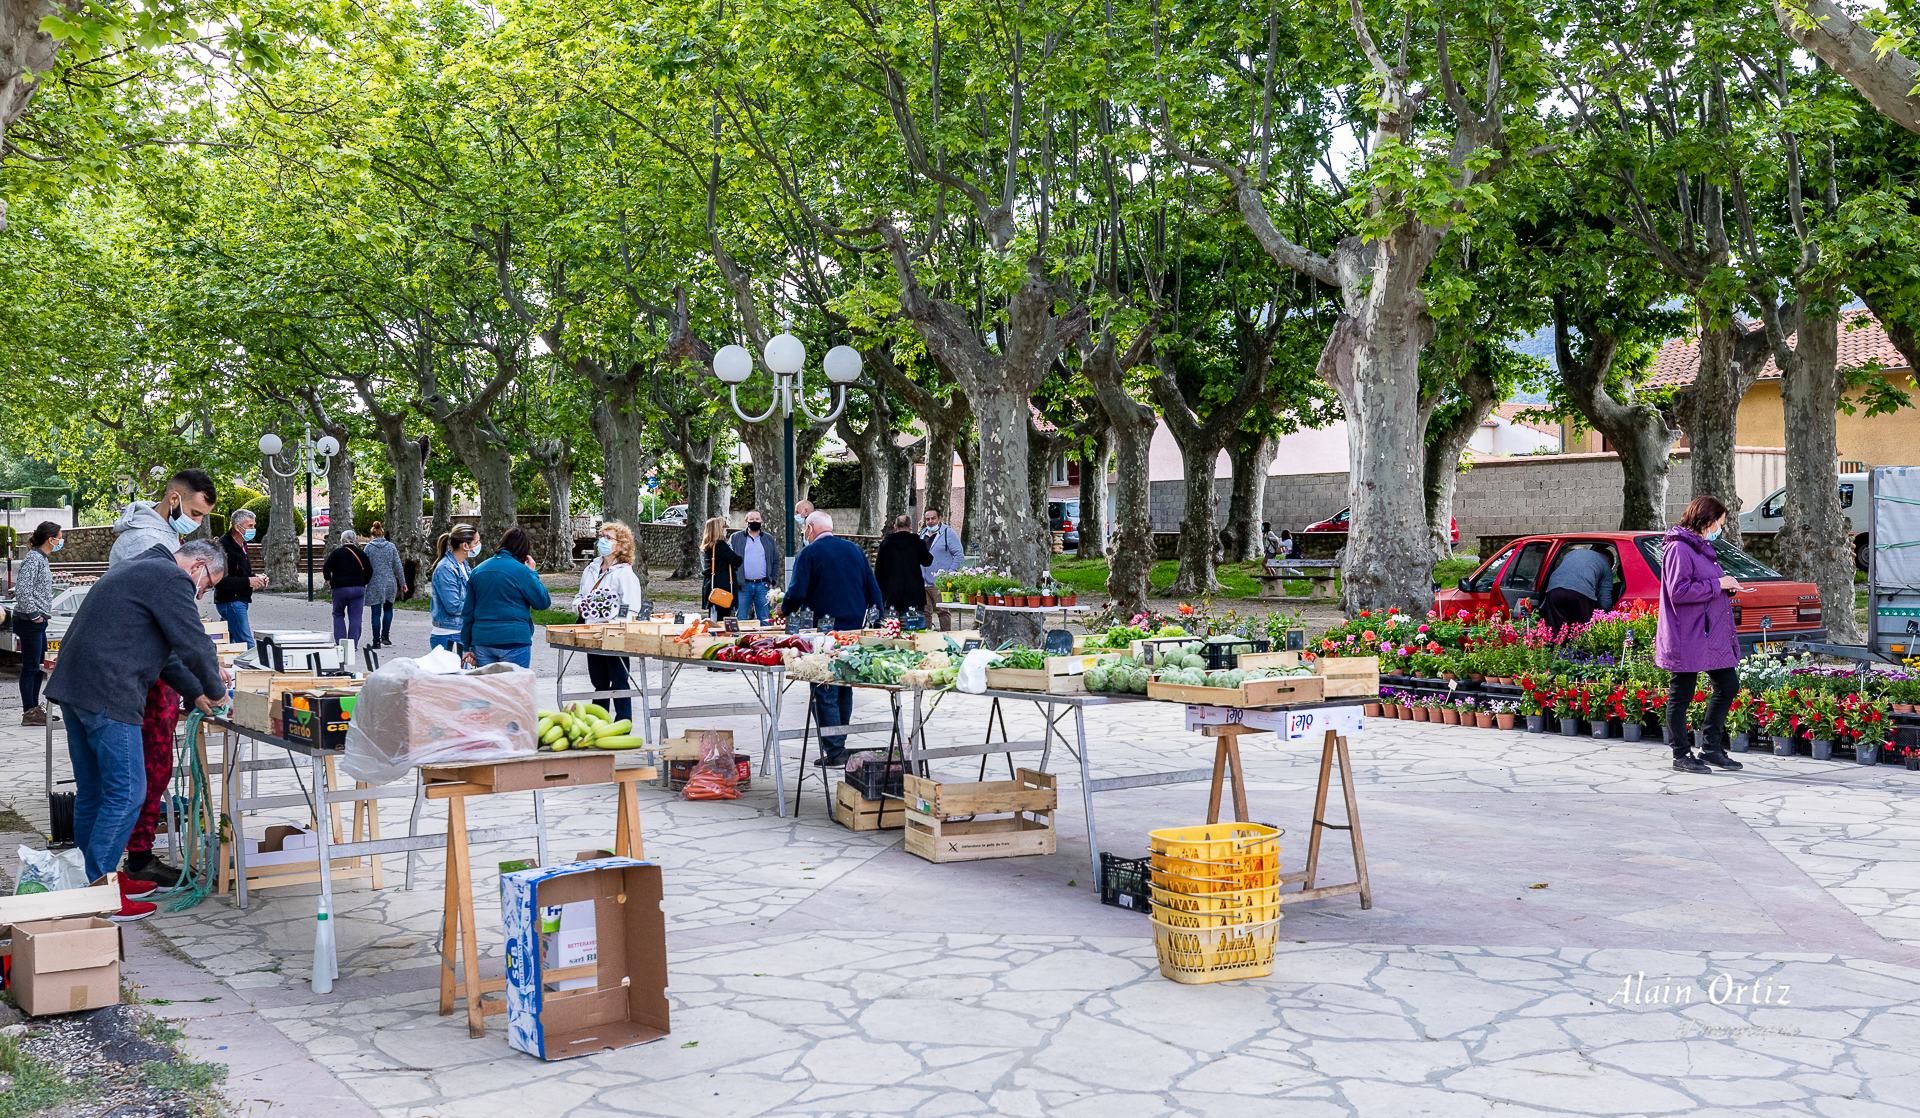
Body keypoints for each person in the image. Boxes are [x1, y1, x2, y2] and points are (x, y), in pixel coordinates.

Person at [46, 539, 228, 920]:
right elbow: (194, 643)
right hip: (109, 692)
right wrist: (217, 690)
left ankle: (95, 880)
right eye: (208, 585)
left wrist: (196, 693)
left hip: (76, 688)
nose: (203, 593)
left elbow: (166, 655)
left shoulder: (138, 568)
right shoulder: (171, 578)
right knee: (127, 792)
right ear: (197, 567)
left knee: (94, 793)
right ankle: (101, 893)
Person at [107, 468, 218, 892]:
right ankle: (131, 862)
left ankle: (126, 860)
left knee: (148, 769)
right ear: (173, 499)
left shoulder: (165, 539)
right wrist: (207, 682)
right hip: (142, 674)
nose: (194, 521)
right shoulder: (144, 542)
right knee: (145, 770)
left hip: (152, 667)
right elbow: (166, 623)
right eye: (191, 511)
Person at [782, 511, 883, 766]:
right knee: (843, 685)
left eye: (805, 529)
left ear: (810, 528)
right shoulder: (855, 550)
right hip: (852, 631)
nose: (805, 534)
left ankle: (835, 750)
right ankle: (839, 744)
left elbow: (796, 592)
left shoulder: (810, 553)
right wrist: (878, 619)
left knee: (824, 687)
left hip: (821, 633)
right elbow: (873, 588)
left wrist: (783, 609)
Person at [1656, 495, 1745, 775]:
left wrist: (1723, 586)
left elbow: (1703, 583)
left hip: (1709, 634)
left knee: (1728, 685)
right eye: (1720, 523)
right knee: (1681, 693)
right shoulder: (1679, 549)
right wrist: (1717, 583)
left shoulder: (1699, 548)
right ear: (1707, 520)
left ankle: (1712, 748)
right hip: (1687, 633)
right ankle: (1680, 754)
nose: (1720, 528)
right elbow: (1679, 591)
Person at [577, 521, 645, 721]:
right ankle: (598, 721)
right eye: (602, 536)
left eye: (608, 538)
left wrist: (615, 623)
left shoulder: (625, 573)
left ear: (620, 545)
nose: (603, 541)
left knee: (618, 680)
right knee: (598, 680)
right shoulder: (591, 569)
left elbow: (632, 607)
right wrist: (580, 606)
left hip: (614, 635)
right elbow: (580, 596)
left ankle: (623, 722)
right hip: (592, 632)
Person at [460, 527, 551, 668]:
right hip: (514, 639)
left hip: (482, 640)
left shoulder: (478, 571)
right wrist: (532, 573)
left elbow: (468, 612)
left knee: (489, 688)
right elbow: (542, 602)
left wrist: (467, 646)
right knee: (514, 688)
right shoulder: (522, 571)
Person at [14, 521, 62, 726]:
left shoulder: (41, 559)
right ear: (50, 539)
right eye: (59, 537)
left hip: (37, 621)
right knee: (31, 667)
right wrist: (35, 615)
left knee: (38, 667)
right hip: (29, 620)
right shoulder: (34, 559)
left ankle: (34, 709)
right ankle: (29, 711)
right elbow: (23, 591)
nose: (61, 541)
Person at [213, 509, 268, 652]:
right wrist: (248, 582)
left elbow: (241, 573)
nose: (253, 529)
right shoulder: (224, 547)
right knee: (247, 645)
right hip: (231, 601)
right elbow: (219, 581)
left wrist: (256, 578)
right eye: (250, 526)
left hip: (239, 600)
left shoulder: (242, 544)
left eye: (254, 526)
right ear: (238, 527)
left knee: (226, 645)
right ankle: (255, 672)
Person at [429, 525, 479, 651]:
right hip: (448, 635)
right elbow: (453, 606)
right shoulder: (446, 568)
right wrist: (478, 606)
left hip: (460, 632)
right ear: (465, 546)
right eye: (476, 542)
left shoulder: (463, 565)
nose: (479, 545)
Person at [1542, 545, 1616, 629]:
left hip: (1554, 590)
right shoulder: (1605, 564)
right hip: (1581, 593)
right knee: (1582, 631)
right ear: (1608, 560)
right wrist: (1603, 617)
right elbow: (1605, 599)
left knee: (1557, 631)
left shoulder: (1571, 554)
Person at [876, 514, 933, 618]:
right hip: (913, 591)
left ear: (895, 526)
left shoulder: (886, 543)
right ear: (910, 526)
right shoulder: (918, 543)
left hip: (891, 592)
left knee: (891, 626)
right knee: (912, 625)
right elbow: (927, 561)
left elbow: (879, 569)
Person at [729, 512, 782, 623]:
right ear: (746, 521)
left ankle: (766, 640)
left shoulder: (768, 539)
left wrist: (772, 580)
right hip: (742, 586)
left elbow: (776, 560)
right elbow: (729, 559)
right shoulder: (735, 538)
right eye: (752, 519)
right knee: (741, 618)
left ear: (761, 520)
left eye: (757, 519)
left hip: (763, 585)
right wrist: (734, 579)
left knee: (765, 619)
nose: (755, 521)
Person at [363, 522, 408, 648]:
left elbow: (364, 566)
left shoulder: (368, 548)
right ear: (383, 534)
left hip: (374, 582)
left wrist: (363, 581)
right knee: (388, 609)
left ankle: (376, 641)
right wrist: (403, 583)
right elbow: (398, 566)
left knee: (376, 612)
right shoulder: (391, 547)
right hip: (390, 582)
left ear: (372, 535)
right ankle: (385, 636)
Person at [322, 530, 371, 645]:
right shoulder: (361, 554)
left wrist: (329, 579)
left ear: (342, 540)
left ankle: (341, 642)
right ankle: (352, 643)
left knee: (338, 614)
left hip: (340, 587)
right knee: (356, 616)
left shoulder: (336, 553)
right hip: (358, 588)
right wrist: (364, 582)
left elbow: (326, 568)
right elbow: (369, 570)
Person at [920, 507, 964, 631]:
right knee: (924, 611)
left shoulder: (948, 533)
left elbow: (959, 555)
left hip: (940, 581)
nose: (930, 521)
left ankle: (946, 637)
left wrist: (950, 573)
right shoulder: (922, 533)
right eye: (927, 519)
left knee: (943, 611)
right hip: (923, 581)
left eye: (933, 518)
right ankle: (925, 638)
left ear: (940, 518)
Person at [701, 517, 742, 621]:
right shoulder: (720, 546)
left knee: (714, 615)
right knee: (722, 618)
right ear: (718, 529)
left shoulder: (709, 546)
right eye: (724, 527)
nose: (726, 530)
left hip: (712, 585)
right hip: (722, 586)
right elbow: (737, 560)